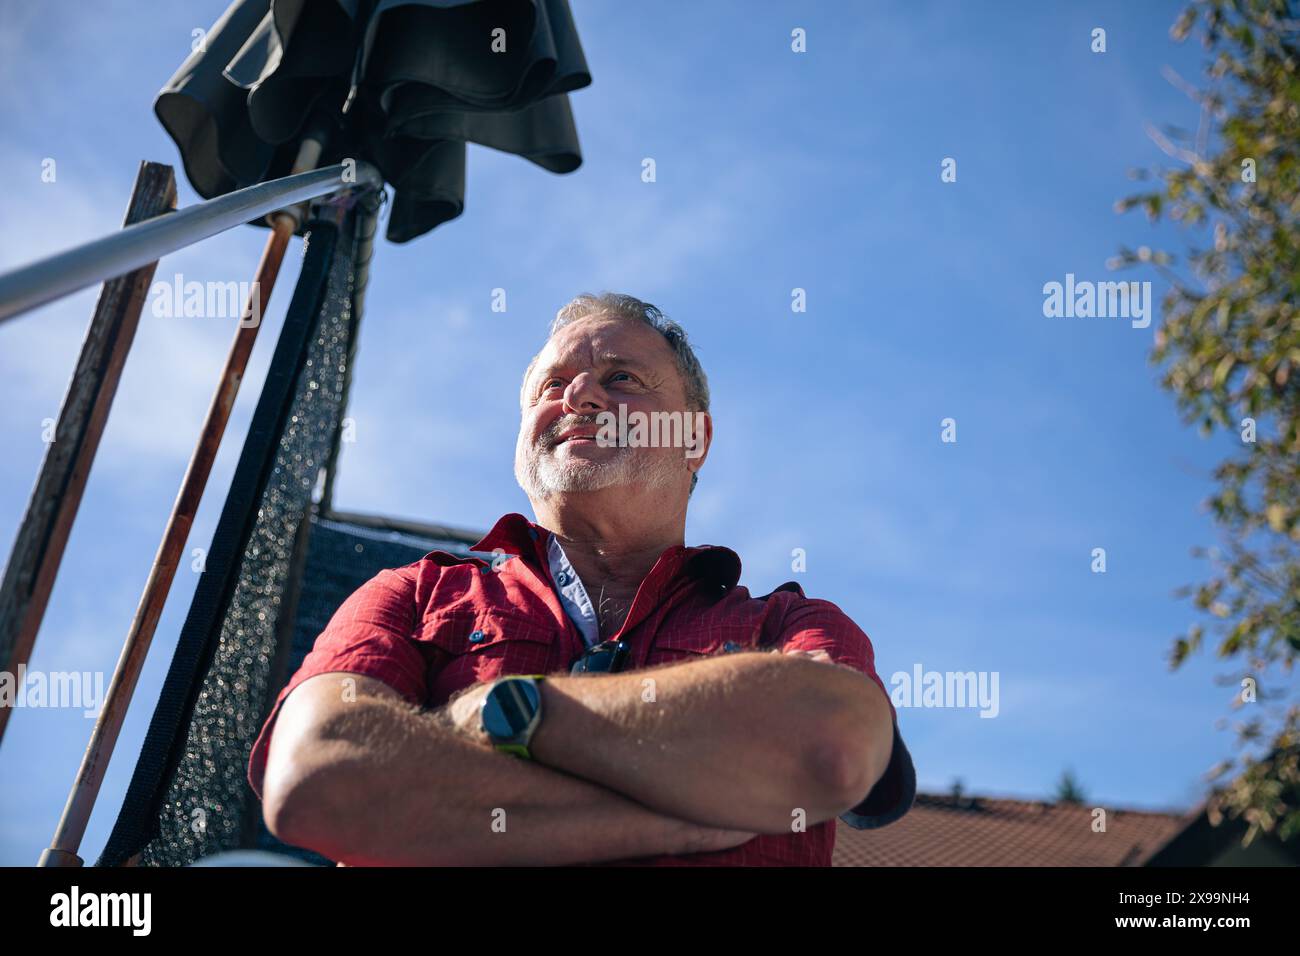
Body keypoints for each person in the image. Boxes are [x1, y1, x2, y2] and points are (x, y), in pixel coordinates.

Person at [246, 292, 916, 866]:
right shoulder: (412, 596)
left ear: (695, 439)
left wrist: (505, 715)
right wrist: (676, 816)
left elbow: (835, 742)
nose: (580, 395)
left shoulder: (790, 625)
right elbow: (319, 777)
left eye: (621, 378)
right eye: (549, 386)